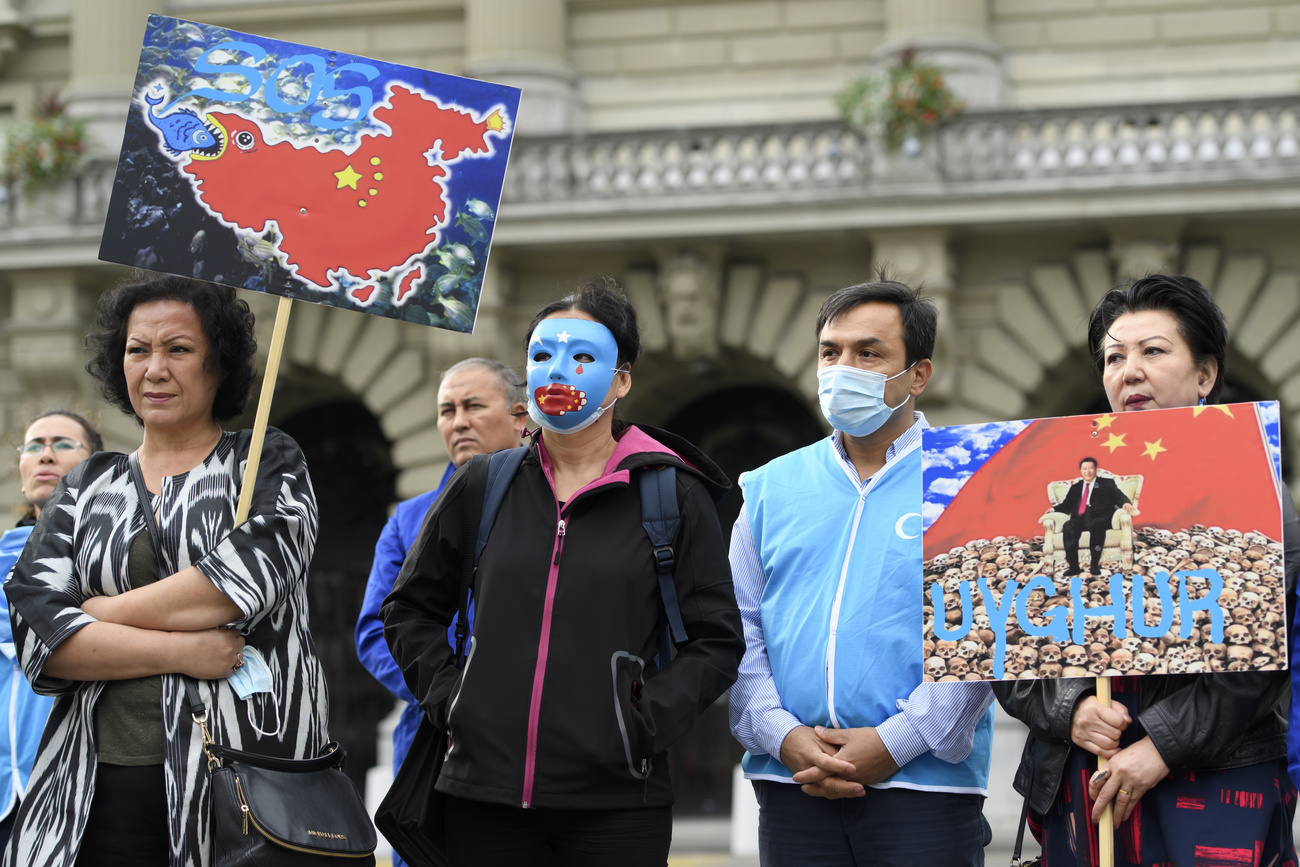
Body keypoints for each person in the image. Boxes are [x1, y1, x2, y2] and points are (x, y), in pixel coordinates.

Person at [383, 277, 744, 867]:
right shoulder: (484, 484)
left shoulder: (673, 494)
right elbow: (408, 609)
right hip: (483, 799)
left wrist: (639, 723)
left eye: (583, 357)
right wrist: (455, 698)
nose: (559, 371)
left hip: (617, 806)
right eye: (543, 355)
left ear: (621, 379)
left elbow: (717, 640)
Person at [3, 275, 329, 867]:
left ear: (220, 363)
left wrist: (90, 616)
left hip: (243, 792)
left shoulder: (268, 462)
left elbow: (231, 588)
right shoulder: (85, 485)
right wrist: (181, 652)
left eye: (178, 349)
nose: (155, 368)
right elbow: (37, 637)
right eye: (137, 350)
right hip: (90, 794)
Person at [997, 274, 1298, 866]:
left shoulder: (1253, 484)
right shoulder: (1043, 484)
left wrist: (1160, 745)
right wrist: (1071, 710)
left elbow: (1259, 663)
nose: (1128, 371)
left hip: (1213, 785)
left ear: (1205, 374)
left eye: (1152, 351)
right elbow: (1003, 632)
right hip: (1079, 780)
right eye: (1114, 356)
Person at [728, 279, 995, 866]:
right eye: (831, 352)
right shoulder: (769, 486)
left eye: (868, 353)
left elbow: (981, 634)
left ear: (917, 375)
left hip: (923, 793)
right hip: (791, 783)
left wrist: (893, 744)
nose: (843, 367)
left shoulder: (970, 480)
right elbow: (739, 629)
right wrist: (783, 735)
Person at [355, 356, 525, 867]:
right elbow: (374, 632)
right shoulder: (410, 519)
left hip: (536, 743)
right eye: (446, 410)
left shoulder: (553, 506)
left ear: (521, 416)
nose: (458, 421)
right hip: (435, 742)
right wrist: (449, 699)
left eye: (473, 405)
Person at [0, 410, 102, 849]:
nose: (45, 455)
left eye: (62, 444)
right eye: (34, 446)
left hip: (77, 782)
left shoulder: (112, 557)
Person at [1052, 456, 1135, 577]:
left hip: (1100, 516)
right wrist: (1053, 509)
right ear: (1081, 470)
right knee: (1068, 526)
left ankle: (1094, 564)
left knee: (1097, 525)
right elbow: (1066, 505)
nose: (1088, 471)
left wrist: (1125, 503)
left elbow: (1118, 496)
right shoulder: (1076, 487)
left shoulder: (1106, 483)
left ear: (1096, 469)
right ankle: (1074, 567)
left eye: (1091, 468)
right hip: (1080, 518)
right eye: (1084, 469)